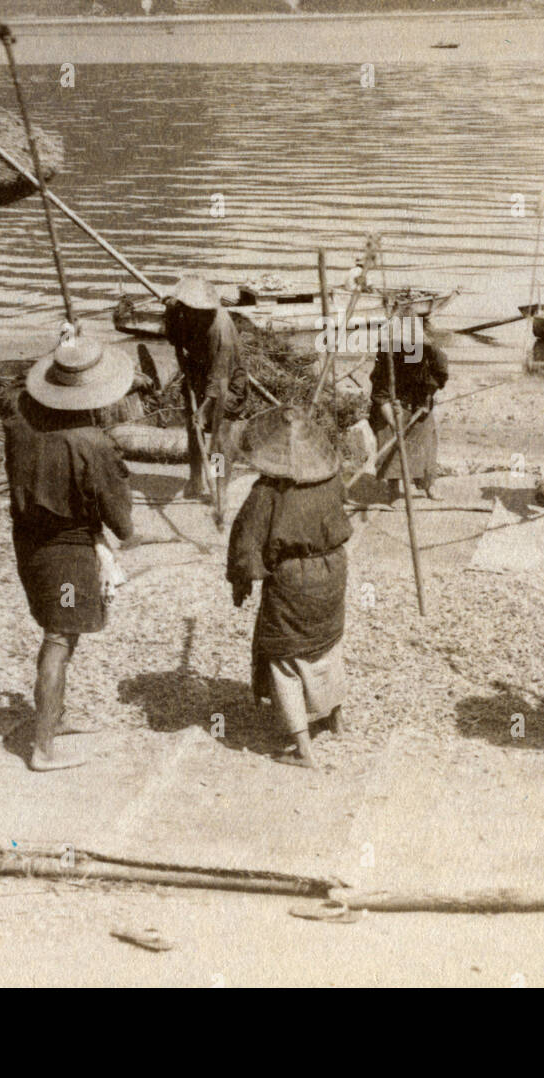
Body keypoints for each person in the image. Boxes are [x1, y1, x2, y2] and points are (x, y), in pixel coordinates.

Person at [4, 327, 135, 771]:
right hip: (66, 547)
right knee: (59, 640)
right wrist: (122, 533)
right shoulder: (89, 443)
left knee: (62, 631)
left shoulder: (19, 421)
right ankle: (43, 748)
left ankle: (53, 717)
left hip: (29, 540)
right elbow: (117, 513)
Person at [226, 407, 353, 769]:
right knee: (327, 643)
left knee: (284, 655)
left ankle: (302, 749)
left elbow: (245, 541)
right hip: (333, 570)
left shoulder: (266, 491)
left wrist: (242, 581)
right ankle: (334, 717)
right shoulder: (330, 479)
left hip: (293, 577)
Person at [164, 276, 246, 508]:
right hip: (197, 373)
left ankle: (220, 488)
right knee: (193, 429)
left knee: (219, 440)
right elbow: (173, 338)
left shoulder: (221, 331)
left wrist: (204, 410)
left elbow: (219, 379)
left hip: (227, 383)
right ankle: (195, 479)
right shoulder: (183, 312)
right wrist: (170, 313)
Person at [369, 330, 449, 500]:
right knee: (390, 441)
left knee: (426, 443)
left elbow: (438, 374)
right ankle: (393, 490)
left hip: (418, 403)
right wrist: (393, 423)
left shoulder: (431, 352)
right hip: (391, 405)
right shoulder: (386, 356)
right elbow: (379, 394)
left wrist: (427, 399)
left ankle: (428, 486)